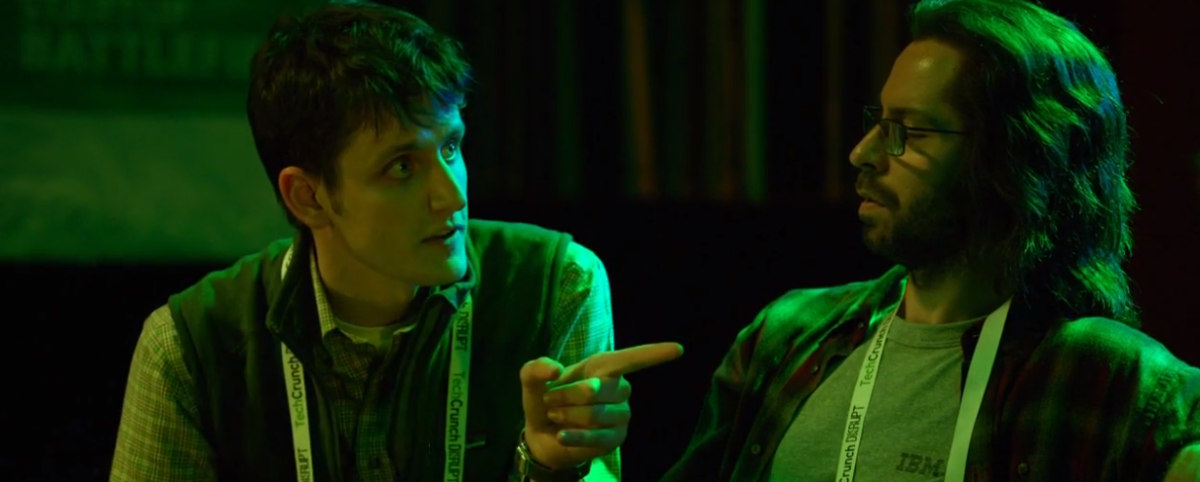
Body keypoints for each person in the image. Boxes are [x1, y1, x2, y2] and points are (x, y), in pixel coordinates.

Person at [109, 2, 682, 481]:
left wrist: (548, 467)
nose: (451, 196)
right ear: (308, 197)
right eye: (402, 167)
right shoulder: (190, 345)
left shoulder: (557, 283)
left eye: (451, 147)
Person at [660, 0, 1200, 481]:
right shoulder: (788, 335)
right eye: (879, 121)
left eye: (910, 131)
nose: (863, 153)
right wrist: (601, 461)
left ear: (1018, 158)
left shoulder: (1112, 380)